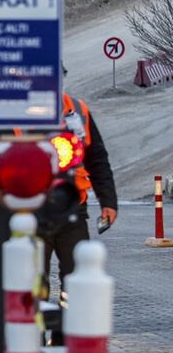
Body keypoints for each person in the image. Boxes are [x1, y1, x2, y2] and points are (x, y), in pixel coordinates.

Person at [42, 85, 117, 299]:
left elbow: (97, 159)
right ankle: (34, 332)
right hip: (31, 211)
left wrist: (108, 201)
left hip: (73, 209)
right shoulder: (14, 112)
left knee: (76, 280)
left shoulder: (77, 109)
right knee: (32, 283)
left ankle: (65, 330)